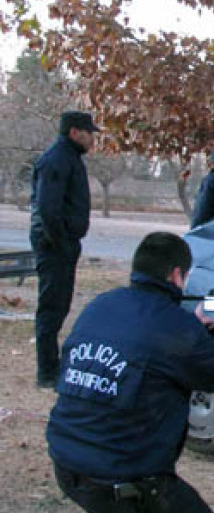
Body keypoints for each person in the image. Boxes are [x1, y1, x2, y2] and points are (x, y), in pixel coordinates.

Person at [46, 232, 214, 513]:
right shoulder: (175, 328)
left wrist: (195, 331)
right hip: (123, 481)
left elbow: (148, 347)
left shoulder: (101, 305)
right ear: (175, 276)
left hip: (67, 467)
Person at [30, 111, 100, 389]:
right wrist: (61, 243)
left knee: (59, 307)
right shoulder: (57, 160)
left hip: (62, 245)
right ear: (75, 132)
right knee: (51, 309)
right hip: (54, 246)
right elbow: (48, 209)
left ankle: (52, 367)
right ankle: (47, 373)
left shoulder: (69, 158)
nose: (92, 138)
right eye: (89, 132)